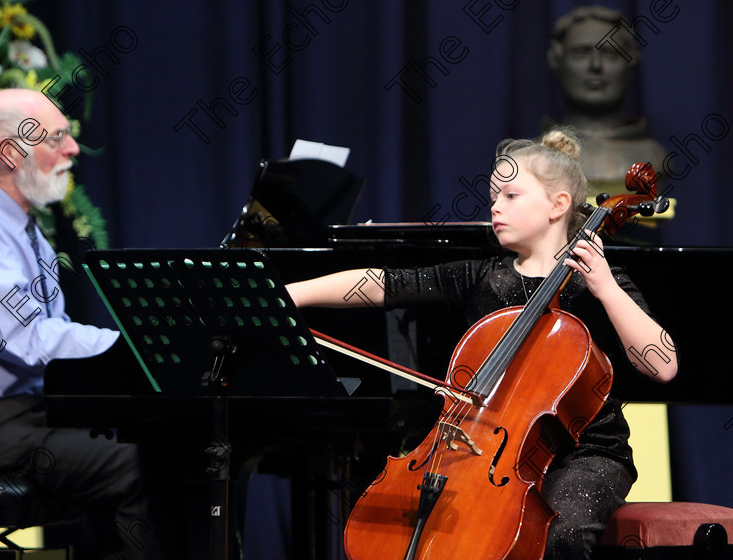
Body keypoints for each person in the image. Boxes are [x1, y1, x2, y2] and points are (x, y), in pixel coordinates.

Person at [286, 128, 677, 560]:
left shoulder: (601, 283)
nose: (495, 206)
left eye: (510, 196)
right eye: (493, 196)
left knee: (560, 537)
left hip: (584, 456)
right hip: (482, 453)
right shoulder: (481, 276)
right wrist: (288, 294)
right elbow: (381, 284)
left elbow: (662, 366)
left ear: (558, 205)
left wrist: (606, 288)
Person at [0, 89, 164, 560]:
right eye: (58, 137)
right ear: (10, 152)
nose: (74, 149)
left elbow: (46, 335)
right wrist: (139, 344)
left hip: (23, 417)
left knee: (174, 442)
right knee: (142, 463)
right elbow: (21, 340)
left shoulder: (16, 222)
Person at [546, 6, 669, 208]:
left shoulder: (654, 157)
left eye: (610, 55)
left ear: (630, 66)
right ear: (556, 62)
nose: (595, 65)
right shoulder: (535, 155)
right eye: (580, 54)